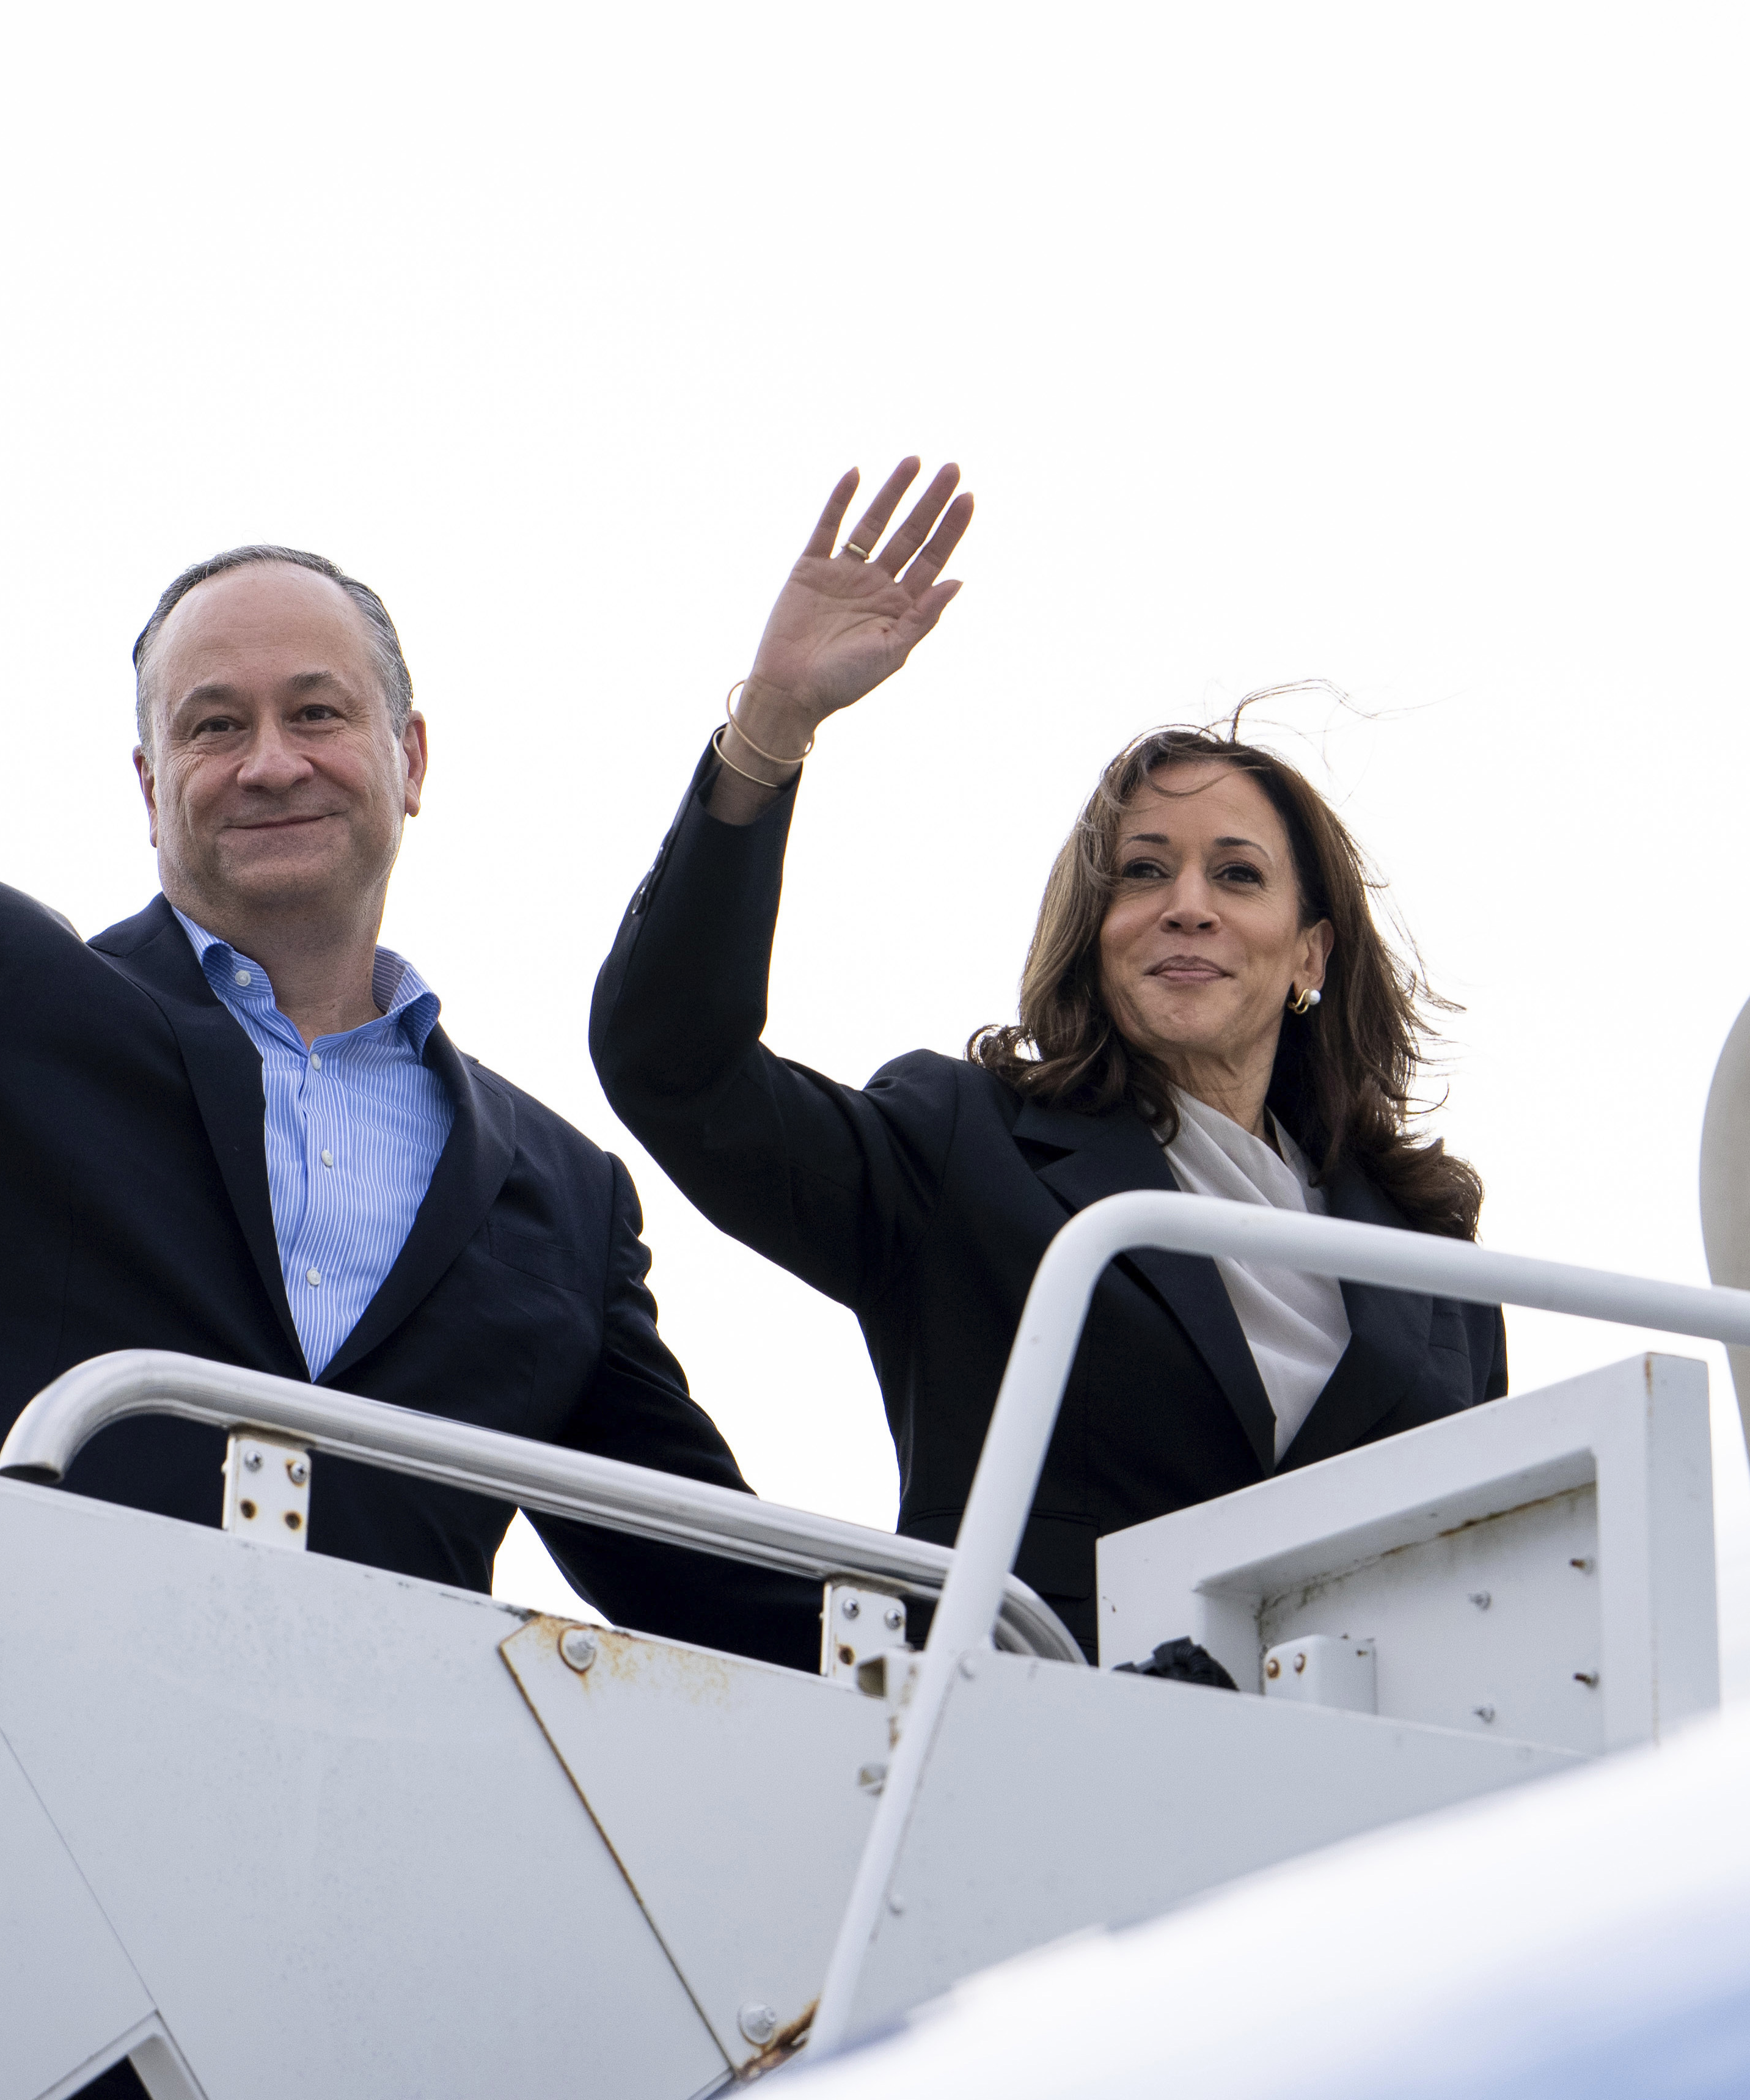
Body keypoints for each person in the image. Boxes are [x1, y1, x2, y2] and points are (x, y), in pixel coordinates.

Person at [0, 170, 813, 1668]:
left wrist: (1055, 1657)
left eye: (318, 712)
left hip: (377, 1836)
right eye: (213, 725)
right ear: (150, 783)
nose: (271, 762)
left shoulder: (560, 1201)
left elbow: (724, 1581)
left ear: (410, 760)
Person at [591, 461, 1508, 1653]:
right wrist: (772, 727)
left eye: (1236, 874)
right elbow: (674, 1066)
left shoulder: (1431, 1261)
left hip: (1361, 1798)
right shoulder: (960, 1148)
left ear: (1309, 954)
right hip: (1040, 1764)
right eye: (1142, 872)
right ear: (1096, 935)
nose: (1187, 905)